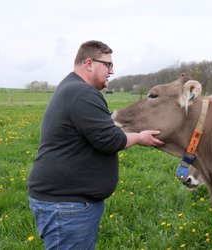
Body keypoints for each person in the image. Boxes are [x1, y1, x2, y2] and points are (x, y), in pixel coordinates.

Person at [27, 40, 164, 250]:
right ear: (89, 63)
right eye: (108, 65)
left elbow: (100, 130)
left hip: (65, 203)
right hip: (67, 206)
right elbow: (110, 140)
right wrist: (139, 137)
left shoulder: (72, 88)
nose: (112, 71)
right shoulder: (83, 93)